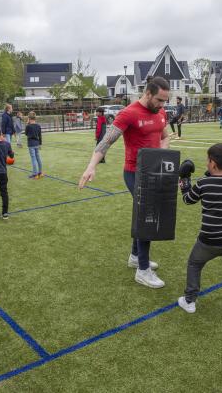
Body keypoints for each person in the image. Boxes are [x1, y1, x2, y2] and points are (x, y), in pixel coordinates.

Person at [79, 76, 171, 289]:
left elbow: (165, 136)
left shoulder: (161, 112)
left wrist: (160, 153)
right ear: (147, 94)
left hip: (154, 172)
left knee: (143, 214)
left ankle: (135, 256)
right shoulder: (128, 113)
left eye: (165, 101)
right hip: (134, 173)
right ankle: (143, 270)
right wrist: (91, 166)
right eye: (159, 100)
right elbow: (106, 141)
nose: (162, 105)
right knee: (147, 216)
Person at [176, 143, 222, 314]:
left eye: (208, 160)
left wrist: (184, 179)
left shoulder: (203, 183)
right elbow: (219, 187)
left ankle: (189, 301)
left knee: (194, 264)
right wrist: (210, 176)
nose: (206, 162)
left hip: (210, 238)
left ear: (213, 163)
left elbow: (188, 199)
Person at [25, 111, 43, 178]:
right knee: (38, 158)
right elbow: (40, 135)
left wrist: (27, 124)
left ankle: (35, 173)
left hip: (31, 144)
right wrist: (40, 144)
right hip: (37, 143)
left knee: (33, 158)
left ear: (29, 118)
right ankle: (40, 172)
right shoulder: (38, 126)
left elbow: (26, 134)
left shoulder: (28, 126)